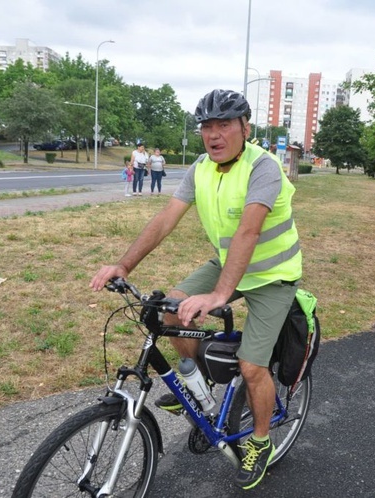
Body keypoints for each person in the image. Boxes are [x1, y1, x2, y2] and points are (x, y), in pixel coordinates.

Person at [90, 89, 302, 490]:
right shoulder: (201, 167)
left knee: (252, 365)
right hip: (229, 264)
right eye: (207, 126)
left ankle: (260, 442)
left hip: (273, 276)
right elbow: (165, 219)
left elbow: (249, 231)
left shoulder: (264, 167)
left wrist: (220, 295)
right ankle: (197, 384)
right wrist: (123, 264)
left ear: (245, 128)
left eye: (224, 125)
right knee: (171, 308)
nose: (214, 134)